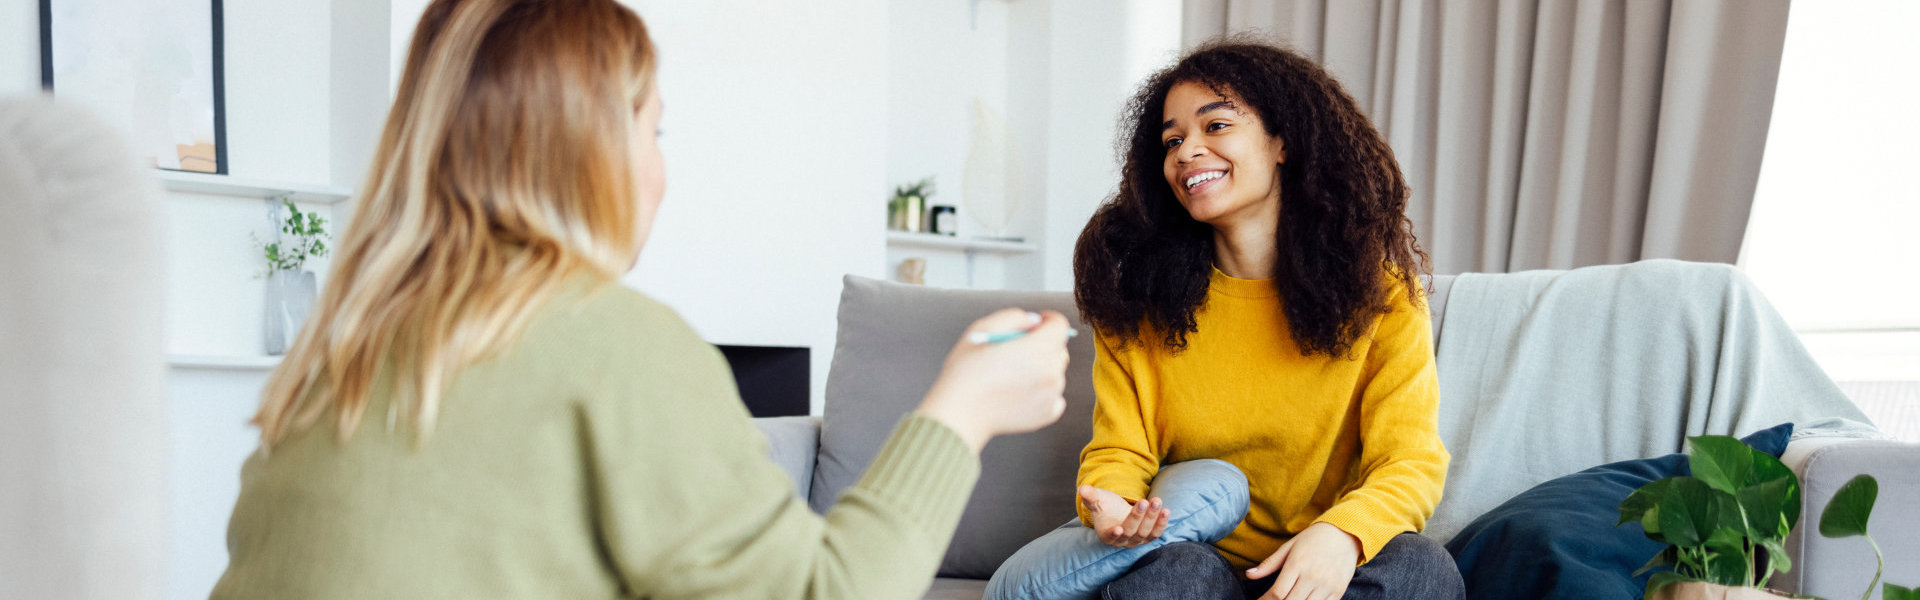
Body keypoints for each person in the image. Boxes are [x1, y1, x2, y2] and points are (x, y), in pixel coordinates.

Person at [209, 0, 1072, 598]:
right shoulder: (610, 339)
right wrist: (963, 409)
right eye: (652, 129)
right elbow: (823, 592)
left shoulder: (340, 351)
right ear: (586, 150)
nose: (660, 168)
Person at [1070, 40, 1465, 600]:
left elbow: (1409, 460)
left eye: (1217, 126)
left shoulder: (1381, 293)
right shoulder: (1136, 299)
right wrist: (1113, 504)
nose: (1187, 152)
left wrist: (1342, 535)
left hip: (1322, 572)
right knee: (1170, 575)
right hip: (1196, 563)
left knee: (1422, 568)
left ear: (1282, 142)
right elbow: (1119, 450)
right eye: (1173, 140)